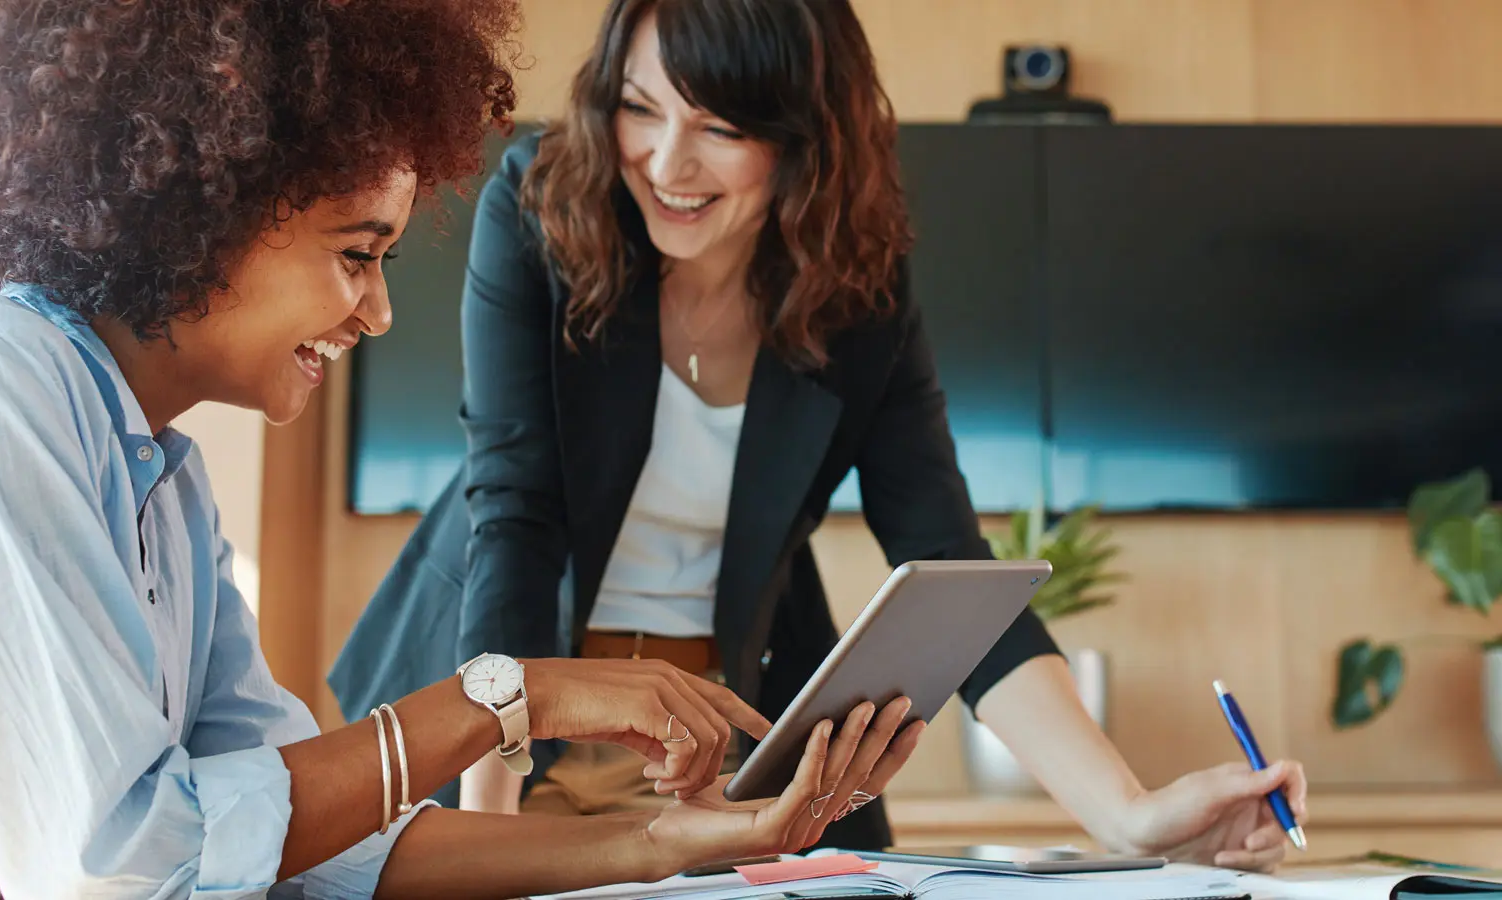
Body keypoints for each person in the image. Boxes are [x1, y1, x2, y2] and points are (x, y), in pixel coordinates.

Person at [0, 2, 923, 898]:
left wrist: (660, 841)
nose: (379, 311)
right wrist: (513, 696)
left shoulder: (167, 483)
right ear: (202, 209)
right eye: (357, 255)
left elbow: (303, 846)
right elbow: (121, 866)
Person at [330, 0, 1311, 871]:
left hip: (716, 747)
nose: (666, 162)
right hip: (503, 722)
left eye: (719, 126)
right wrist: (486, 831)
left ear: (803, 137)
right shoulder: (542, 206)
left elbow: (947, 562)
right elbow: (517, 512)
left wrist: (1132, 816)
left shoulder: (856, 290)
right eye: (640, 106)